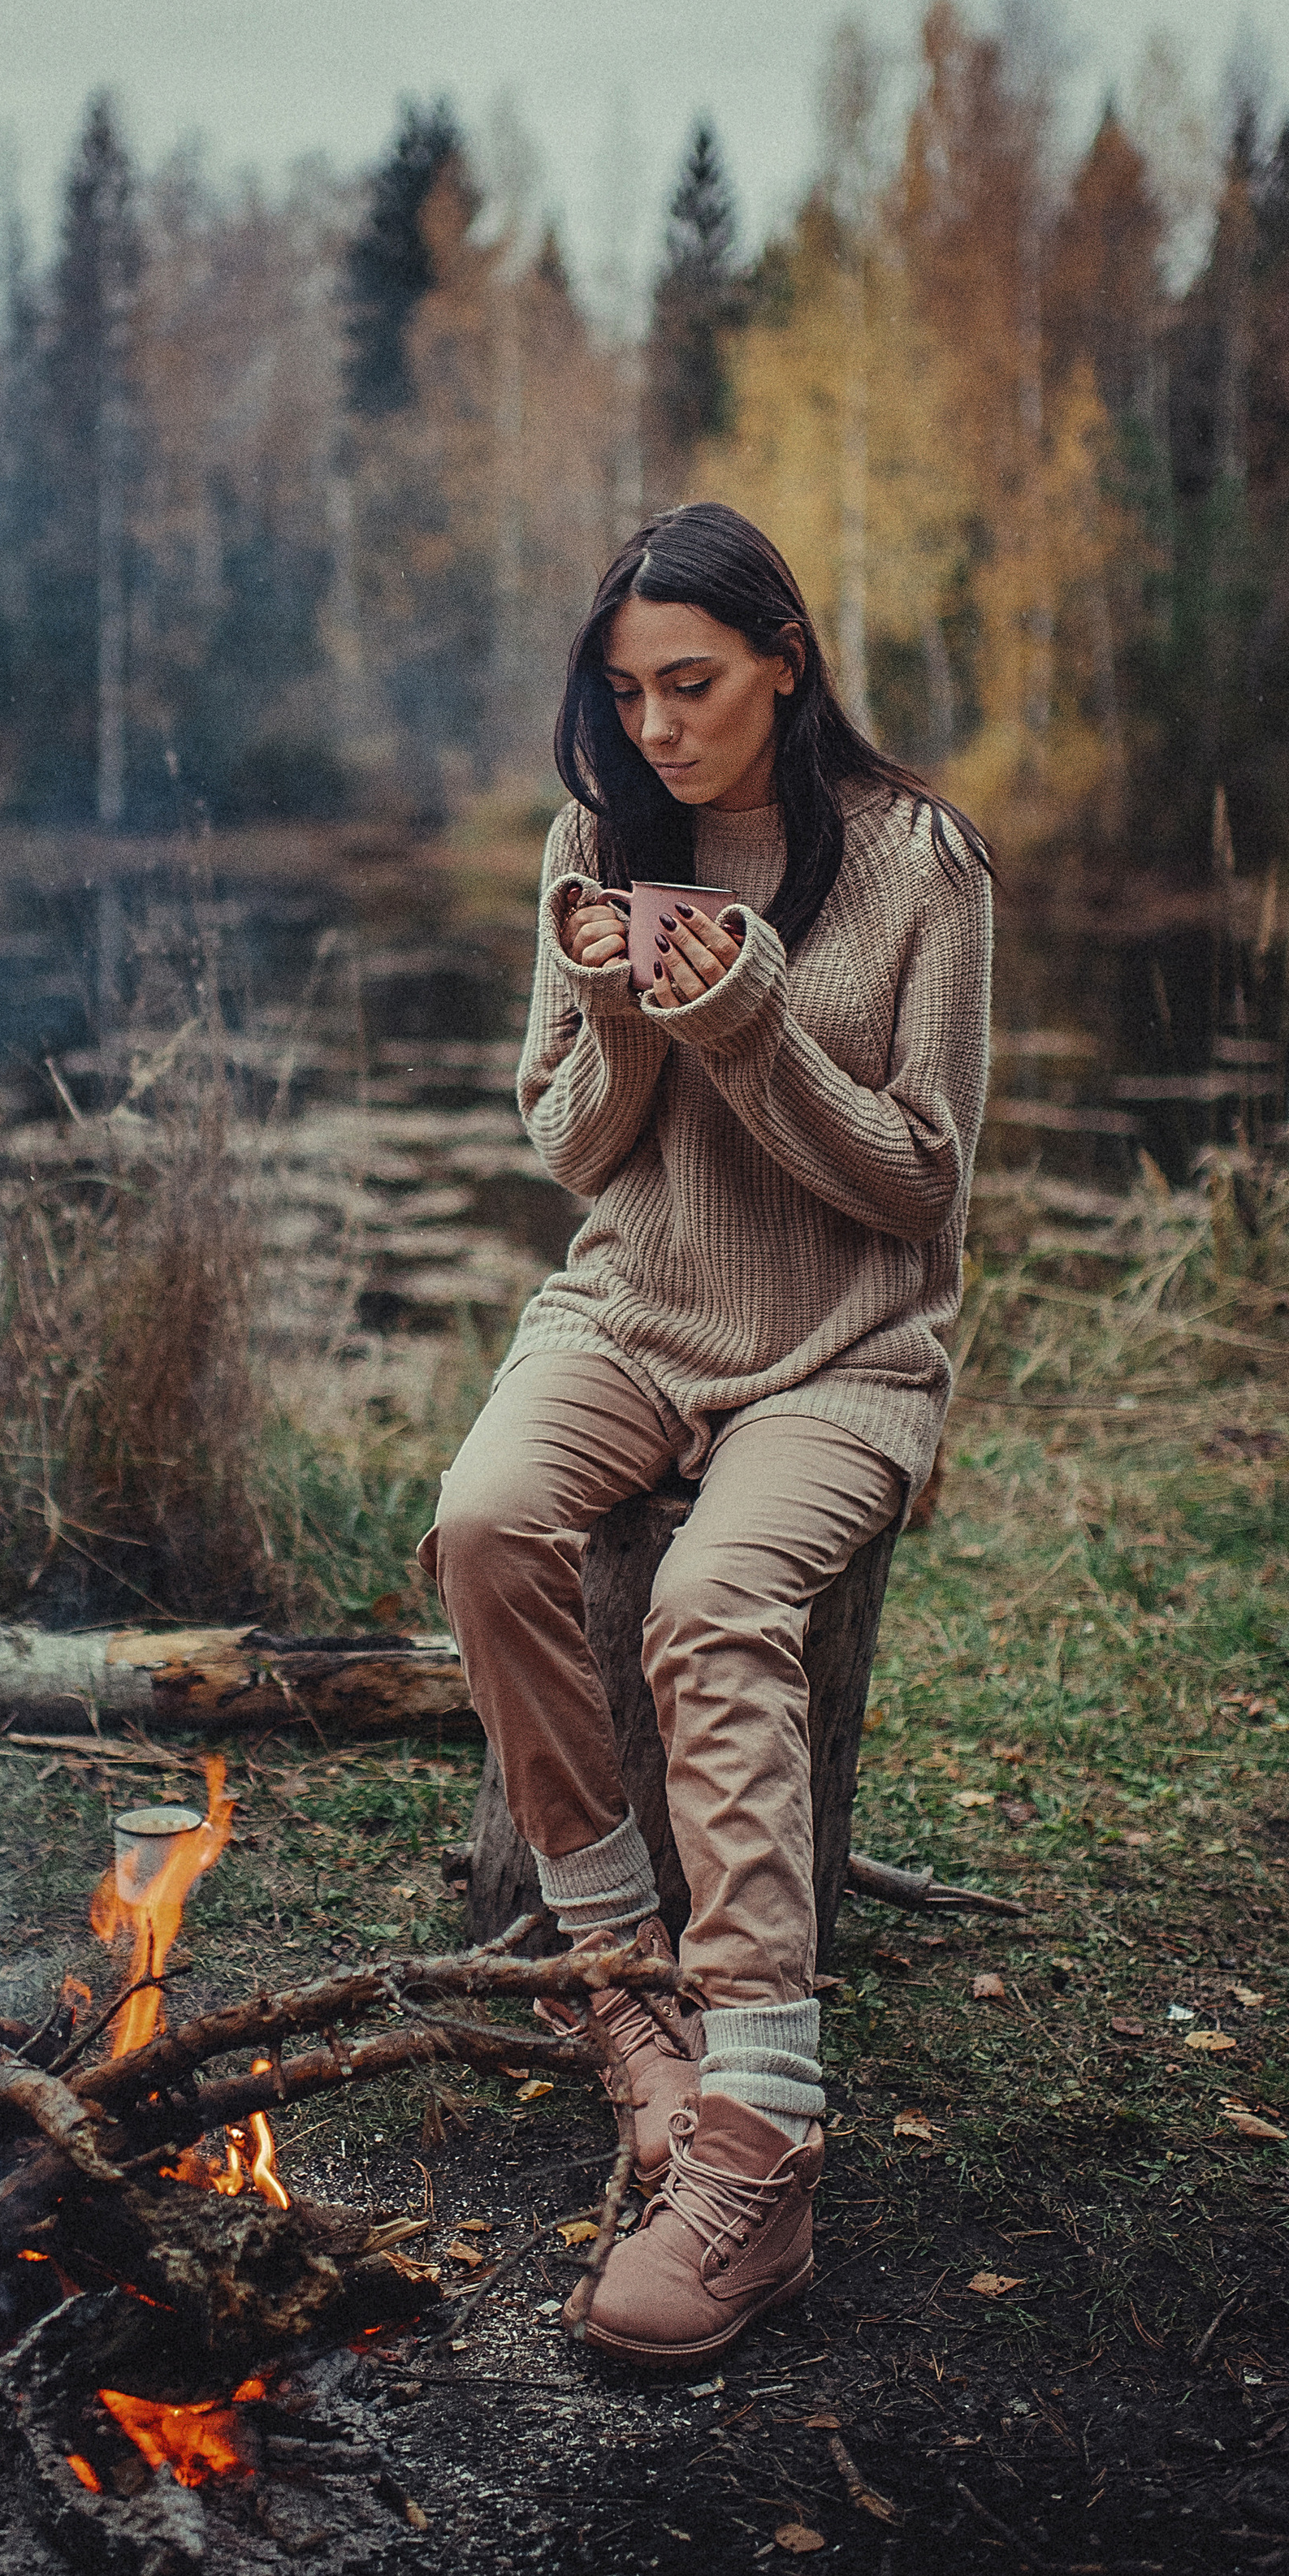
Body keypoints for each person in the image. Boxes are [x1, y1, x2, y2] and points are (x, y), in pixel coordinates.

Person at [422, 502, 993, 2366]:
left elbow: (917, 1189)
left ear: (782, 664)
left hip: (841, 1349)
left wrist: (748, 1024)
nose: (655, 726)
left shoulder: (921, 865)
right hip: (630, 1308)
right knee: (486, 1521)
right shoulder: (598, 842)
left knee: (711, 1607)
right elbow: (577, 1149)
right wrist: (616, 1009)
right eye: (624, 692)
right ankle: (617, 1985)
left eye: (689, 686)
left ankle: (757, 2137)